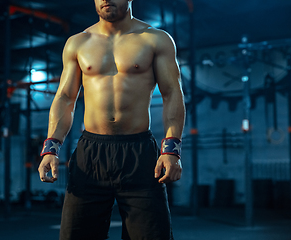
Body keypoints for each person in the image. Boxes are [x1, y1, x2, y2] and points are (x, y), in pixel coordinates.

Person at [38, 0, 185, 239]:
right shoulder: (78, 43)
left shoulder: (155, 39)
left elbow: (172, 94)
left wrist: (171, 150)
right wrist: (50, 149)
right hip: (90, 154)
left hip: (139, 156)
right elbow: (65, 98)